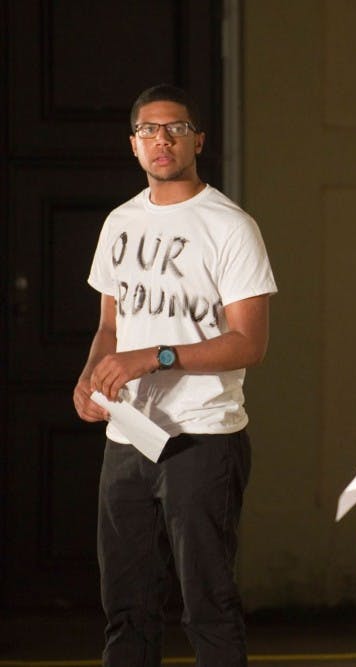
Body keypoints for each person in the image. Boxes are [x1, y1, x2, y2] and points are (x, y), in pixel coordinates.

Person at [71, 84, 276, 666]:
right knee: (127, 608)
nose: (161, 140)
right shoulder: (120, 222)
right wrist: (89, 377)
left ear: (198, 141)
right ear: (133, 146)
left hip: (203, 437)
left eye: (175, 128)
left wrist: (155, 356)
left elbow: (249, 343)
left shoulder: (230, 226)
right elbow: (111, 325)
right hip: (128, 435)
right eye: (148, 131)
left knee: (208, 607)